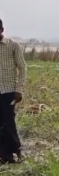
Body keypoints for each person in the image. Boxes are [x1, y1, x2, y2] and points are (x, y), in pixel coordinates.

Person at [0, 18, 27, 164]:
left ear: (2, 30)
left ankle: (15, 150)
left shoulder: (12, 46)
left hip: (9, 91)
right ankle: (4, 154)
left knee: (8, 122)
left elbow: (22, 68)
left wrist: (19, 90)